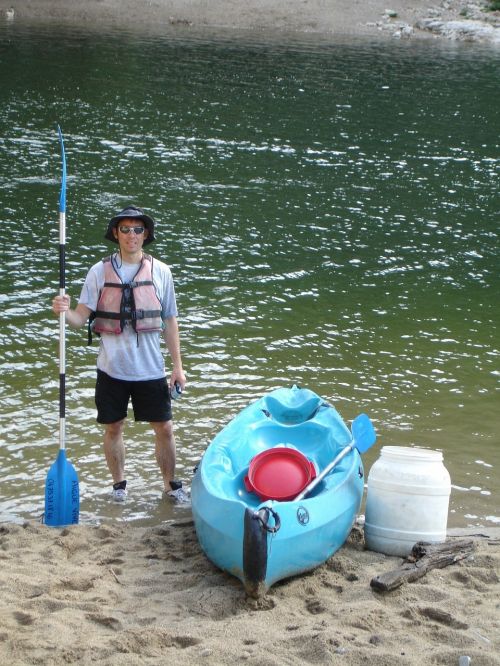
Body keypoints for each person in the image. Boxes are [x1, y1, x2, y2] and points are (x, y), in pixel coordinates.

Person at [52, 205, 188, 503]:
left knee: (164, 427)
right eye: (125, 229)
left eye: (137, 229)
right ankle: (119, 486)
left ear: (146, 234)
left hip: (151, 369)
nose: (131, 235)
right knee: (114, 426)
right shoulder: (98, 272)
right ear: (116, 234)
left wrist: (178, 367)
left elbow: (170, 321)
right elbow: (79, 318)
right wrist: (63, 311)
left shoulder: (161, 272)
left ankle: (171, 485)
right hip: (111, 369)